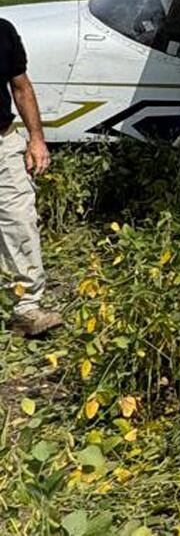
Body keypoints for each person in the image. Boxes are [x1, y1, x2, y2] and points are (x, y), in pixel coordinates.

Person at [1, 18, 60, 336]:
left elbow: (21, 88)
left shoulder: (3, 31)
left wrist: (36, 139)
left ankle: (26, 308)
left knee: (20, 220)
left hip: (4, 141)